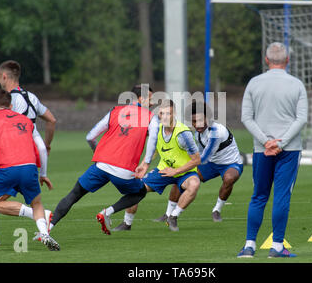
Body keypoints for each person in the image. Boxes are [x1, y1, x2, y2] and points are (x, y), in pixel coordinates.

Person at [0, 60, 57, 246]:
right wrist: (47, 146)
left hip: (15, 155)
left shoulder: (12, 102)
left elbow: (3, 131)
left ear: (3, 76)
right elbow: (51, 120)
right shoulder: (31, 96)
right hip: (32, 159)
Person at [48, 85, 158, 236]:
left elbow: (90, 136)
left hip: (101, 165)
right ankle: (107, 212)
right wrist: (146, 163)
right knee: (139, 193)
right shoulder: (151, 117)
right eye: (150, 99)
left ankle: (47, 230)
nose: (152, 103)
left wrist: (99, 153)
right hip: (124, 169)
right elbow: (153, 138)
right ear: (141, 99)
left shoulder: (114, 111)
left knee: (74, 194)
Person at [237, 42, 307, 258]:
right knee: (281, 197)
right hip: (290, 150)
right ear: (287, 60)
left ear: (266, 60)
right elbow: (301, 119)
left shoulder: (254, 83)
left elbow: (246, 118)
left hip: (262, 149)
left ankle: (249, 246)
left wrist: (266, 141)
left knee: (258, 196)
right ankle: (277, 247)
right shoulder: (297, 84)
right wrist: (281, 142)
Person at [111, 99, 201, 232]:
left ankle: (173, 216)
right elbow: (154, 151)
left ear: (174, 114)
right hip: (163, 170)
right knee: (136, 188)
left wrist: (175, 172)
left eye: (168, 114)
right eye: (161, 114)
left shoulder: (183, 134)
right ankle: (127, 223)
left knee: (194, 184)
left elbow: (196, 160)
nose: (164, 117)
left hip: (185, 173)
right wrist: (143, 165)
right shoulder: (157, 130)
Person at [151, 101, 243, 224]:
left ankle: (216, 210)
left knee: (229, 178)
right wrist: (179, 168)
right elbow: (196, 155)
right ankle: (168, 214)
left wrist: (177, 169)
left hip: (230, 163)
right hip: (210, 164)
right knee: (182, 178)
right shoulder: (197, 134)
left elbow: (203, 158)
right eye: (194, 121)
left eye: (200, 120)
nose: (197, 124)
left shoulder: (216, 132)